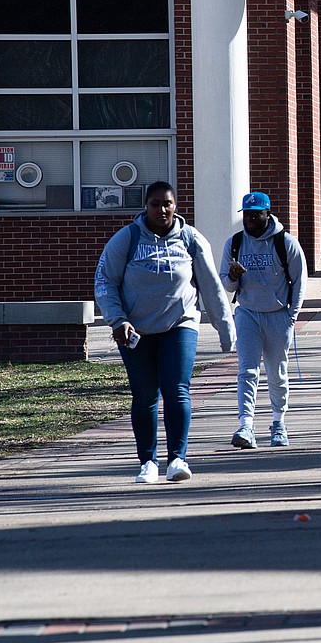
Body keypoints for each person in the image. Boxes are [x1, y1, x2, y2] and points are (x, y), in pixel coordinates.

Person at [94, 180, 235, 484]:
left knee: (176, 388)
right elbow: (105, 281)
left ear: (175, 206)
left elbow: (211, 285)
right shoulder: (127, 239)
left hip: (180, 324)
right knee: (145, 394)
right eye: (155, 204)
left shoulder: (190, 239)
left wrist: (225, 328)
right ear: (146, 206)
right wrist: (117, 320)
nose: (162, 210)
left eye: (167, 204)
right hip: (136, 330)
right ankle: (147, 462)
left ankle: (177, 459)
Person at [221, 191, 307, 450]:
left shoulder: (285, 242)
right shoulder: (234, 243)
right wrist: (233, 277)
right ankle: (246, 425)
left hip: (278, 315)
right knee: (247, 370)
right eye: (247, 214)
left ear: (267, 214)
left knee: (277, 372)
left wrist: (291, 316)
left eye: (256, 214)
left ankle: (278, 422)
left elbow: (300, 281)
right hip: (247, 313)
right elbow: (226, 284)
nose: (250, 219)